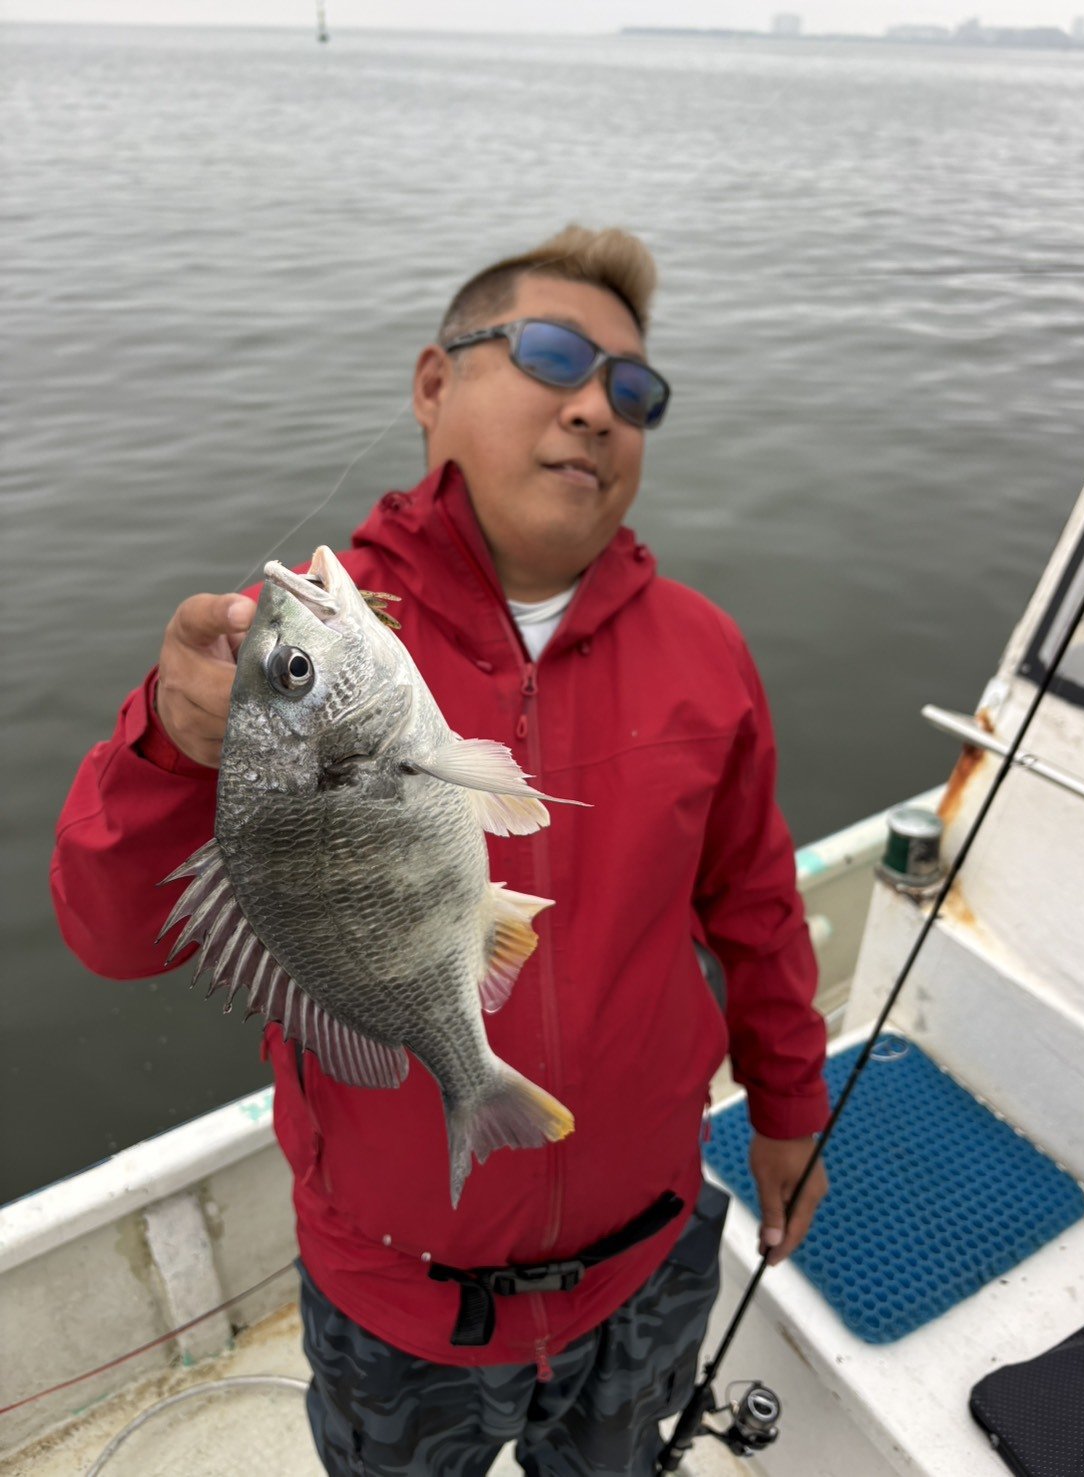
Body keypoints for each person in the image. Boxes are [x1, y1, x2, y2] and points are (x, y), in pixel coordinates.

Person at [51, 225, 829, 1476]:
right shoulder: (284, 648)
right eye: (553, 357)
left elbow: (754, 904)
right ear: (432, 382)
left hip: (649, 1255)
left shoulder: (705, 650)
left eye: (634, 391)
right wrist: (173, 746)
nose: (595, 409)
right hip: (397, 1299)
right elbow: (112, 934)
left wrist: (790, 1108)